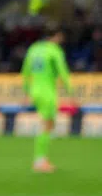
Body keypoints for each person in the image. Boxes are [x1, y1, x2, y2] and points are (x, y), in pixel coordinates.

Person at [21, 24, 73, 172]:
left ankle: (42, 158)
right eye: (60, 36)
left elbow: (25, 72)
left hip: (35, 91)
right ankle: (39, 161)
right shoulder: (54, 50)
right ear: (56, 36)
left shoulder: (33, 49)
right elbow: (63, 72)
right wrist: (71, 91)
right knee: (47, 125)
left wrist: (26, 92)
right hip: (47, 92)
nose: (62, 39)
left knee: (48, 124)